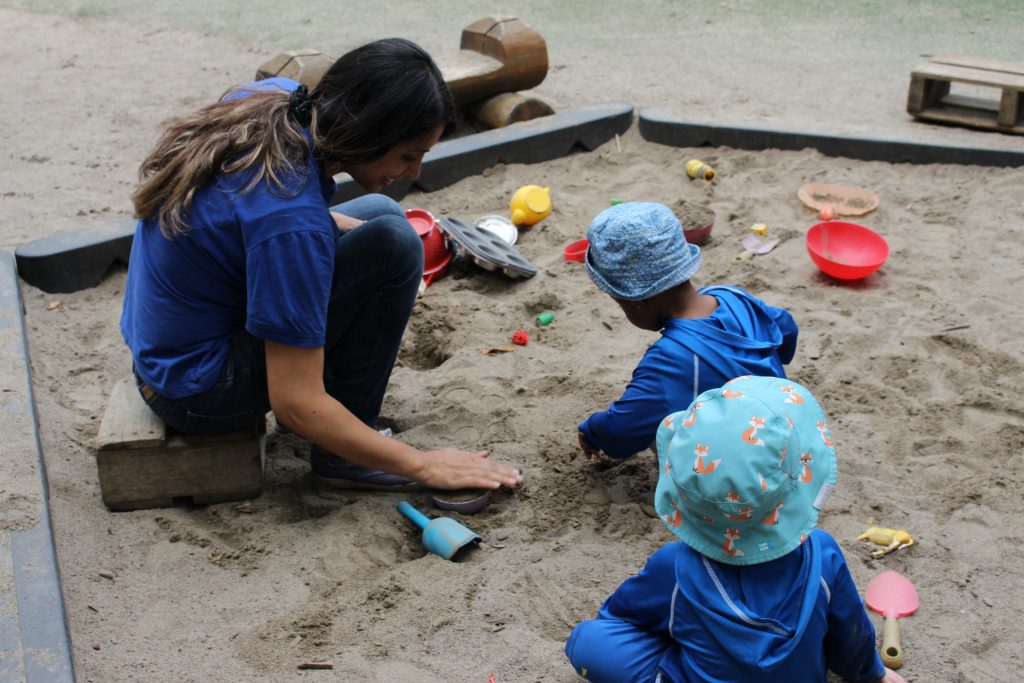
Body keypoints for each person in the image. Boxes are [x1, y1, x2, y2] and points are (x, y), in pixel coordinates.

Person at [121, 38, 523, 493]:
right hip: (195, 391)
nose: (414, 173)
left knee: (382, 214)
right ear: (369, 132)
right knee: (394, 246)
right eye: (408, 155)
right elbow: (293, 403)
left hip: (162, 348)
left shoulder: (280, 100)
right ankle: (343, 458)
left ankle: (339, 419)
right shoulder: (292, 223)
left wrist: (324, 229)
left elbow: (245, 210)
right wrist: (424, 465)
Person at [565, 375, 905, 683]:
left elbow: (618, 618)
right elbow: (852, 636)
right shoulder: (823, 554)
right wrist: (873, 673)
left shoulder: (674, 567)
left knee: (587, 640)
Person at [577, 202, 798, 460]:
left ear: (637, 300)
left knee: (660, 424)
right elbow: (786, 326)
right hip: (790, 439)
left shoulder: (671, 359)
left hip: (750, 479)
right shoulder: (733, 296)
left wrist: (591, 431)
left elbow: (619, 431)